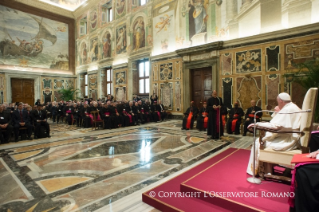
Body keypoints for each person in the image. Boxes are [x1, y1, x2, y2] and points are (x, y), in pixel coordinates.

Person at [246, 93, 301, 176]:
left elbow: (276, 126)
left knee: (259, 142)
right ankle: (267, 170)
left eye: (278, 102)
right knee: (264, 140)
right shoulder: (293, 107)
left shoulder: (287, 109)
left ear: (281, 101)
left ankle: (261, 171)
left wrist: (257, 124)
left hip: (287, 140)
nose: (277, 104)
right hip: (292, 137)